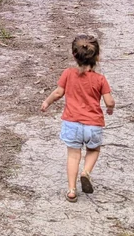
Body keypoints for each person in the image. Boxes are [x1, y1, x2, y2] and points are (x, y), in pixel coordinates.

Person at [40, 35, 115, 202]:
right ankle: (86, 172)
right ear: (97, 57)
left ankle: (72, 190)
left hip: (72, 123)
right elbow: (109, 101)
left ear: (74, 55)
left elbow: (59, 93)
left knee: (73, 155)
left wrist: (46, 102)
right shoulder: (100, 79)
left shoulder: (68, 73)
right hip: (93, 125)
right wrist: (110, 107)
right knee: (93, 150)